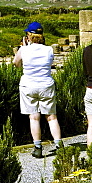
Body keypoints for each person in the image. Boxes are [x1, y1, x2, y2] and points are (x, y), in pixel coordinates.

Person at [13, 22, 63, 159]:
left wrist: (23, 48)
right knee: (51, 117)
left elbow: (16, 64)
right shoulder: (49, 50)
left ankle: (38, 147)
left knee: (34, 117)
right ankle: (59, 144)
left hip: (28, 85)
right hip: (46, 84)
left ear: (28, 36)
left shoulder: (23, 50)